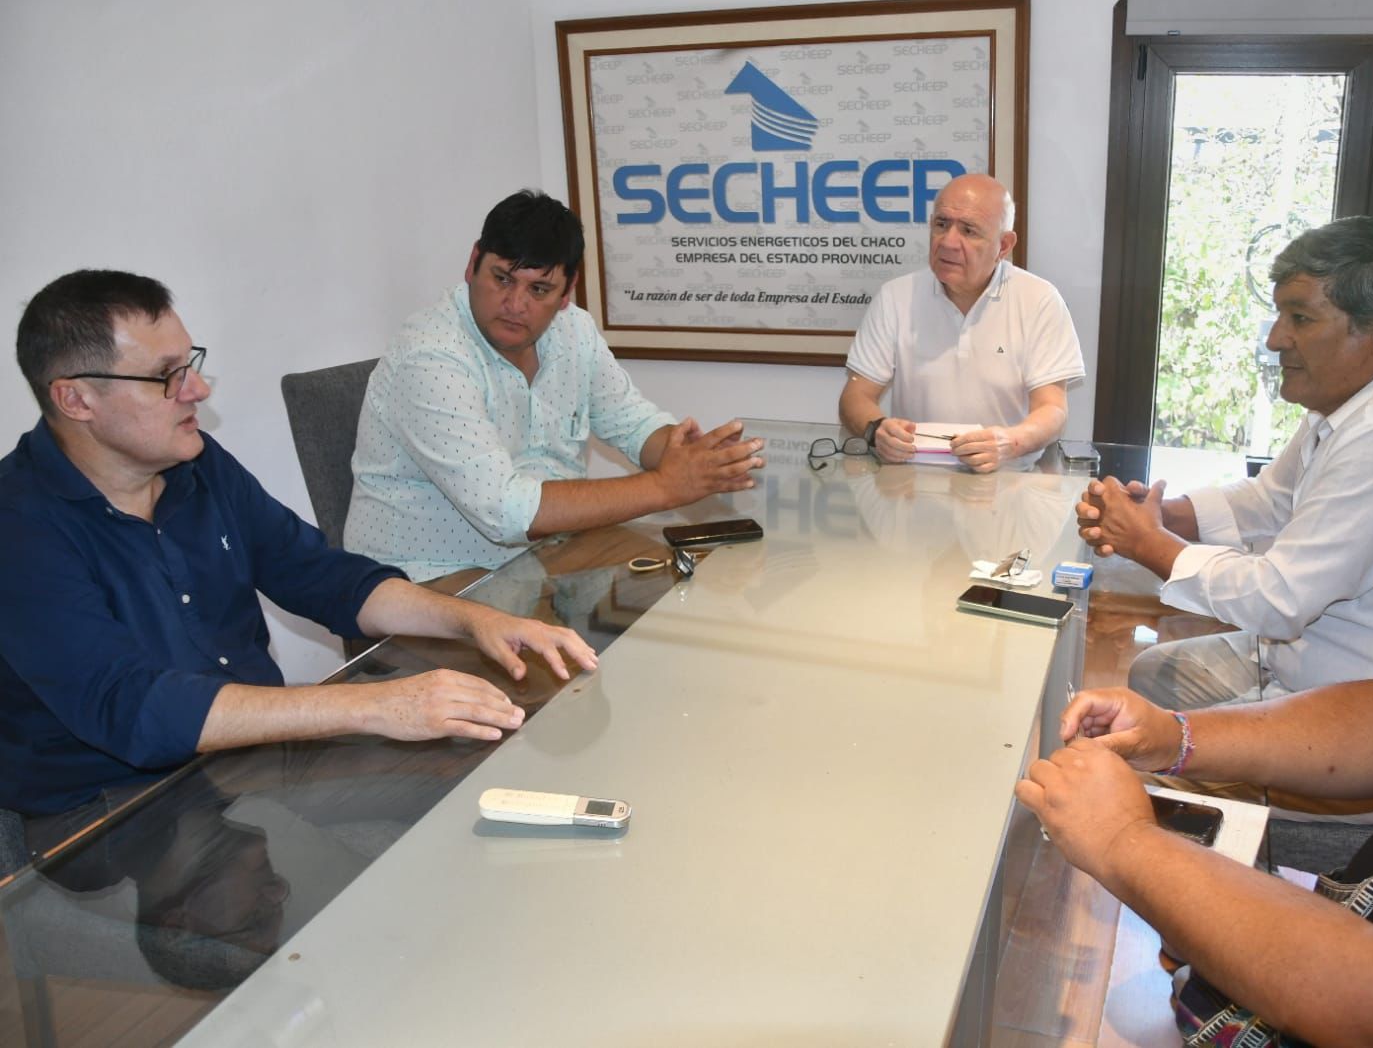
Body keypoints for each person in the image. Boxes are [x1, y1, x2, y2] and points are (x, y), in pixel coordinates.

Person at [1019, 278, 1373, 1045]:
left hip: (1371, 970)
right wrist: (1175, 737)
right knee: (1165, 695)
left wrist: (1127, 844)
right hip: (1363, 868)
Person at [0, 269, 598, 827]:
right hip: (120, 810)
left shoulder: (197, 464)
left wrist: (475, 620)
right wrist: (374, 705)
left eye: (191, 364)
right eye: (167, 376)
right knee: (353, 869)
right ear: (76, 400)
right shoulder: (20, 527)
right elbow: (134, 710)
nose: (197, 390)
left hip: (256, 755)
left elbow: (321, 576)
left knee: (493, 757)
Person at [1077, 217, 1373, 707]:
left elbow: (1278, 600)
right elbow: (1271, 499)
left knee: (1142, 727)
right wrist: (1160, 515)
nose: (1275, 339)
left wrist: (1148, 542)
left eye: (1300, 318)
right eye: (1279, 315)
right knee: (1155, 673)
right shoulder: (1360, 396)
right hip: (1312, 657)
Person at [345, 190, 765, 581]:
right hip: (431, 576)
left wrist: (691, 459)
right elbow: (505, 512)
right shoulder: (431, 355)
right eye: (502, 278)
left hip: (549, 551)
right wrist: (667, 486)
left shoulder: (573, 330)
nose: (515, 304)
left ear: (567, 292)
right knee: (580, 631)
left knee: (687, 588)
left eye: (539, 289)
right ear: (473, 263)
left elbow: (632, 423)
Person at [838, 172, 1085, 473]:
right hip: (912, 480)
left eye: (969, 231)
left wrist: (1010, 442)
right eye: (942, 225)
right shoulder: (895, 297)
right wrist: (876, 430)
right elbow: (855, 396)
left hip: (1006, 479)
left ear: (1003, 245)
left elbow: (1053, 408)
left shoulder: (1039, 300)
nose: (948, 242)